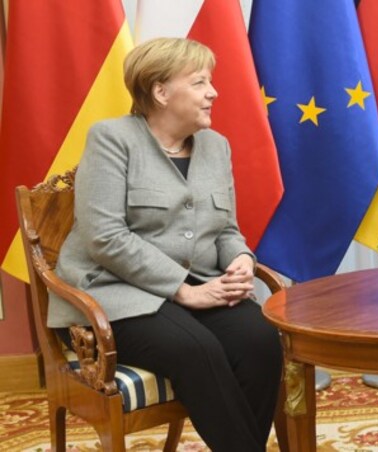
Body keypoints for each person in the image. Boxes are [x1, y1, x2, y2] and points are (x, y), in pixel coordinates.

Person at [50, 37, 282, 451]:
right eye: (199, 82)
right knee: (197, 349)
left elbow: (226, 228)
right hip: (112, 292)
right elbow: (105, 237)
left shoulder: (215, 145)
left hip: (196, 286)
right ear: (160, 91)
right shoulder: (111, 139)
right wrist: (184, 290)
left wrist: (242, 259)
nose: (214, 92)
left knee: (260, 338)